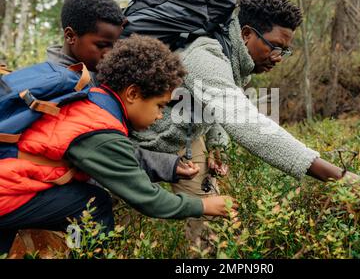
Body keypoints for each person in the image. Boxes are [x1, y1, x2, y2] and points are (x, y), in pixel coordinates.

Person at [130, 0, 360, 245]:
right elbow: (249, 125)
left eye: (285, 51)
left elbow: (209, 100)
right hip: (143, 137)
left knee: (210, 220)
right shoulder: (204, 57)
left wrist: (216, 144)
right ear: (246, 34)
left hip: (185, 139)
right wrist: (336, 175)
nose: (278, 57)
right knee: (108, 210)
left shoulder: (236, 57)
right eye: (275, 46)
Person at [0, 35, 236, 255]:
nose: (159, 116)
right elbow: (149, 200)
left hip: (9, 183)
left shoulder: (92, 100)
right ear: (132, 93)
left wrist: (170, 166)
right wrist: (203, 206)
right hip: (7, 193)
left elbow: (119, 152)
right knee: (92, 205)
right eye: (159, 106)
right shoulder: (101, 129)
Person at [47, 0, 198, 183]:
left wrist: (170, 165)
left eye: (113, 44)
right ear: (70, 36)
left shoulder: (91, 73)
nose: (109, 53)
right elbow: (106, 151)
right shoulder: (66, 88)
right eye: (101, 45)